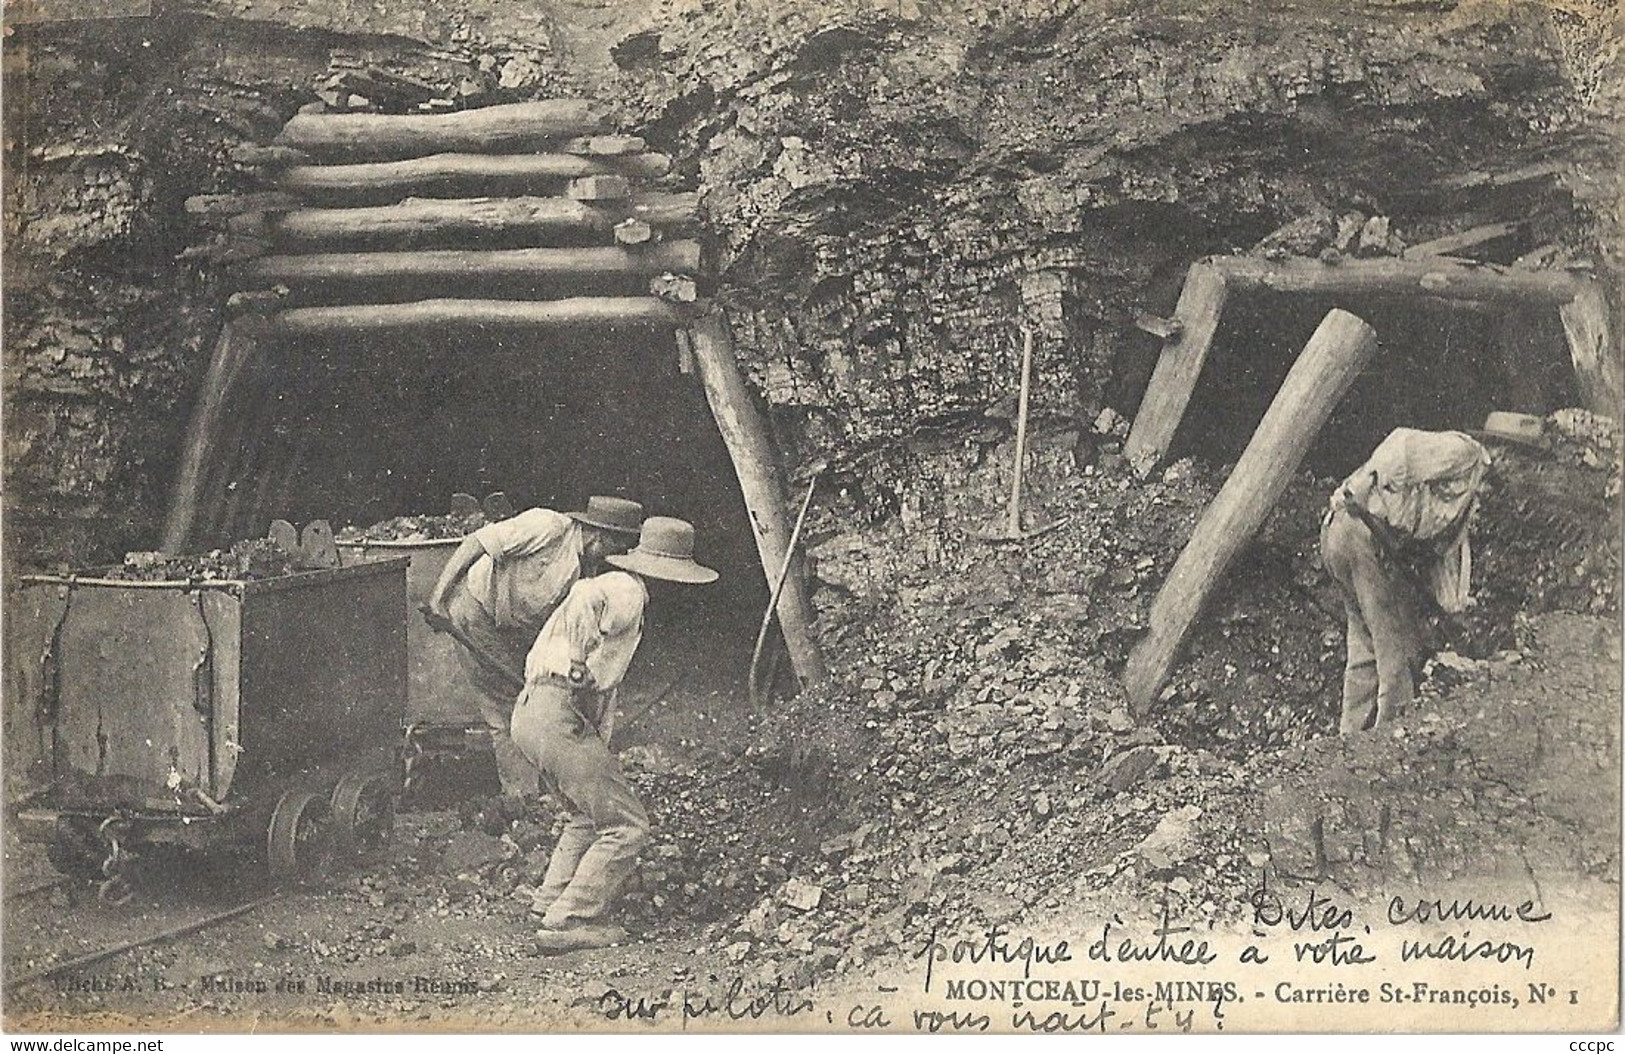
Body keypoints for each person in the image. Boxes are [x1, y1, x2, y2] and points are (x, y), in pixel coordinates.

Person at [512, 516, 717, 954]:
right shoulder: (627, 589)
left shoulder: (626, 601)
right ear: (664, 576)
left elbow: (601, 693)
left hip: (531, 713)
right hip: (555, 709)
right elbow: (584, 598)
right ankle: (569, 920)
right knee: (628, 826)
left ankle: (550, 900)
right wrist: (577, 661)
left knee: (587, 815)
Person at [425, 496, 644, 800]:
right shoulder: (546, 526)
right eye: (615, 548)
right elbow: (477, 542)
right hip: (477, 611)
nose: (614, 557)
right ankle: (522, 797)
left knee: (535, 698)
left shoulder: (588, 570)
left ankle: (548, 783)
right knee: (506, 707)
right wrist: (438, 597)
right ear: (599, 535)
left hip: (516, 629)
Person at [1320, 427, 1490, 735]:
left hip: (1340, 534)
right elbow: (1401, 444)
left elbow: (1443, 567)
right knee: (1397, 650)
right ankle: (1393, 745)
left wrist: (1454, 618)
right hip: (1361, 531)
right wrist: (1370, 480)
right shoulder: (1465, 453)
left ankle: (1348, 742)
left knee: (1364, 645)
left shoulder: (1461, 502)